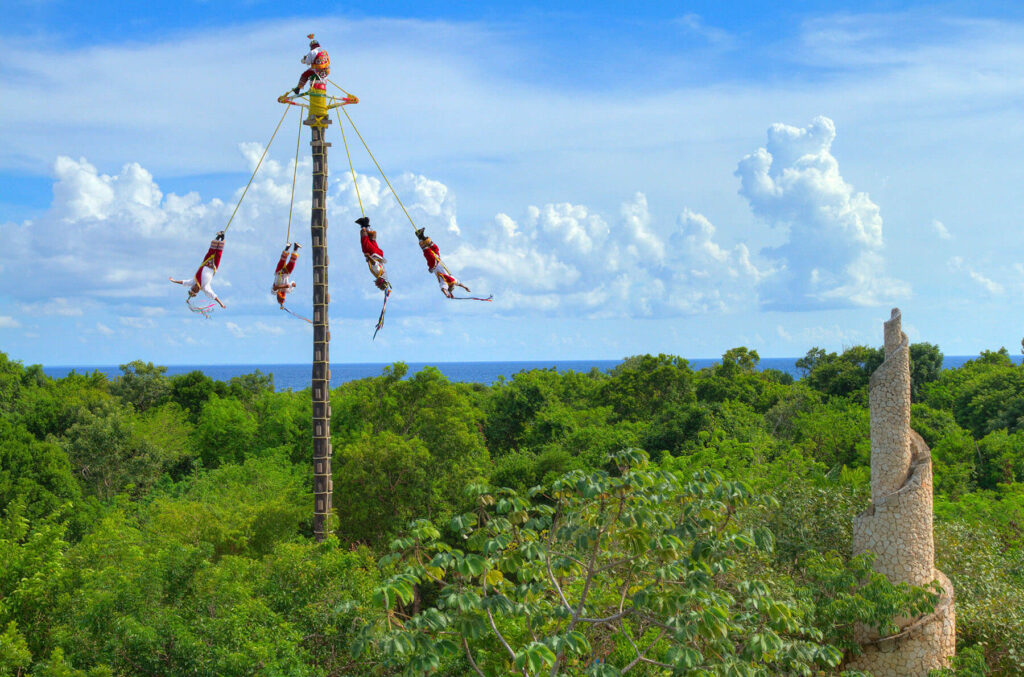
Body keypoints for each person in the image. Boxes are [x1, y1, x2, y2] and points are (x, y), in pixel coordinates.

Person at [169, 231, 227, 308]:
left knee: (211, 251)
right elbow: (214, 296)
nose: (195, 287)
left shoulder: (193, 282)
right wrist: (221, 304)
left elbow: (184, 282)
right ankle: (222, 236)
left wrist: (174, 281)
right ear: (197, 291)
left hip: (206, 262)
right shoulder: (205, 288)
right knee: (218, 253)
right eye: (195, 290)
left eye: (193, 288)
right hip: (214, 266)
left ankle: (218, 237)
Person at [415, 227, 470, 298]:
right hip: (438, 260)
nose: (453, 285)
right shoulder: (452, 279)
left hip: (434, 264)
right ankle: (421, 235)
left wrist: (446, 294)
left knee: (427, 250)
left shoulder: (445, 282)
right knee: (435, 248)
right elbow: (459, 283)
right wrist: (465, 287)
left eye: (452, 286)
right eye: (453, 286)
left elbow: (443, 288)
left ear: (449, 286)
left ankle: (419, 237)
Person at [272, 242, 301, 308]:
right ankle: (295, 248)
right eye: (282, 297)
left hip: (279, 272)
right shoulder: (287, 291)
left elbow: (275, 287)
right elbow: (292, 284)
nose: (281, 296)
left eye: (280, 298)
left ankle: (287, 248)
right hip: (286, 273)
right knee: (292, 263)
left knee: (282, 260)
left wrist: (284, 286)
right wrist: (294, 284)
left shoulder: (274, 292)